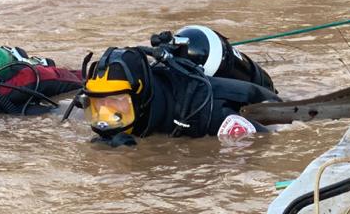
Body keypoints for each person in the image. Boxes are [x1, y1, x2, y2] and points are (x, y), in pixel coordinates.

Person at [73, 25, 280, 146]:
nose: (104, 115)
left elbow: (267, 139)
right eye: (97, 104)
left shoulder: (202, 111)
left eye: (115, 102)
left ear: (139, 97)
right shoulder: (136, 111)